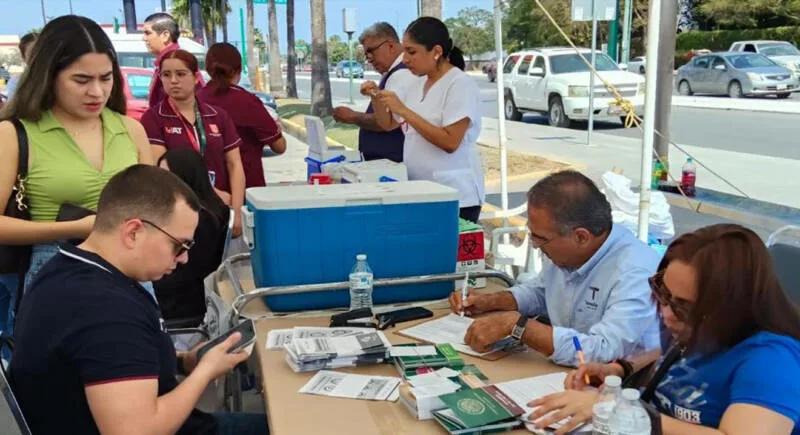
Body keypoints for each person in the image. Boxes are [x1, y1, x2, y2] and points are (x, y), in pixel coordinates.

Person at [9, 164, 267, 435]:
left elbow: (109, 360)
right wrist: (206, 371)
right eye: (179, 245)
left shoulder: (65, 268)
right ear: (133, 232)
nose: (183, 258)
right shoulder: (104, 308)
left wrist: (184, 361)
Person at [527, 224, 800, 435]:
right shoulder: (696, 328)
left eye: (683, 306)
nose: (667, 314)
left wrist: (616, 409)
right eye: (662, 292)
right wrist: (619, 369)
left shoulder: (771, 362)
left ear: (731, 306)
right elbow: (667, 355)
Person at [0, 15, 153, 296]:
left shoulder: (131, 130)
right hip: (54, 279)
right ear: (48, 76)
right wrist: (75, 228)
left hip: (131, 278)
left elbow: (155, 208)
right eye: (81, 80)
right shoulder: (14, 134)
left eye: (106, 78)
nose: (96, 92)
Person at [448, 171, 661, 366]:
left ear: (581, 237)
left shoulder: (635, 272)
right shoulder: (567, 251)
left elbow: (604, 351)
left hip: (619, 390)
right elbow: (541, 292)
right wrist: (488, 301)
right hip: (565, 372)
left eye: (541, 238)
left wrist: (519, 326)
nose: (533, 244)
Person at [372, 17, 485, 223]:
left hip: (455, 196)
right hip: (421, 191)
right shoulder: (417, 83)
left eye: (412, 52)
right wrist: (376, 96)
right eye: (404, 51)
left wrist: (405, 111)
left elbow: (450, 142)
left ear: (436, 51)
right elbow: (387, 124)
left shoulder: (459, 84)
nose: (405, 59)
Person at [140, 49, 245, 237]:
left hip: (218, 211)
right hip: (177, 214)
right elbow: (163, 170)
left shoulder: (217, 115)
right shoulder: (154, 118)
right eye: (166, 75)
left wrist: (237, 211)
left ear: (196, 77)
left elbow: (235, 165)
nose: (173, 81)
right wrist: (210, 193)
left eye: (180, 74)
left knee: (218, 264)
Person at [154, 149, 230, 324]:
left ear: (186, 177)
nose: (161, 184)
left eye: (168, 178)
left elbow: (186, 274)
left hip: (183, 304)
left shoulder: (198, 219)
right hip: (191, 297)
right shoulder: (212, 209)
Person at [198, 42, 286, 188]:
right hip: (248, 184)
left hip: (207, 186)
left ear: (208, 69)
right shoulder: (248, 102)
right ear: (239, 70)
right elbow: (279, 146)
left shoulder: (196, 98)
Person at [333, 22, 419, 163]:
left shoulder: (402, 73)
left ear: (390, 46)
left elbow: (388, 121)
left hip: (392, 162)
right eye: (366, 53)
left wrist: (353, 117)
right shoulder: (393, 73)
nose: (368, 58)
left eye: (371, 51)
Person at [143, 12, 181, 107]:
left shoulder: (174, 62)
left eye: (148, 33)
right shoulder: (167, 61)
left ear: (165, 35)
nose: (143, 38)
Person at [4, 32, 37, 100]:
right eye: (32, 54)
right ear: (23, 57)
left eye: (42, 52)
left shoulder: (59, 77)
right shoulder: (16, 82)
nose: (38, 57)